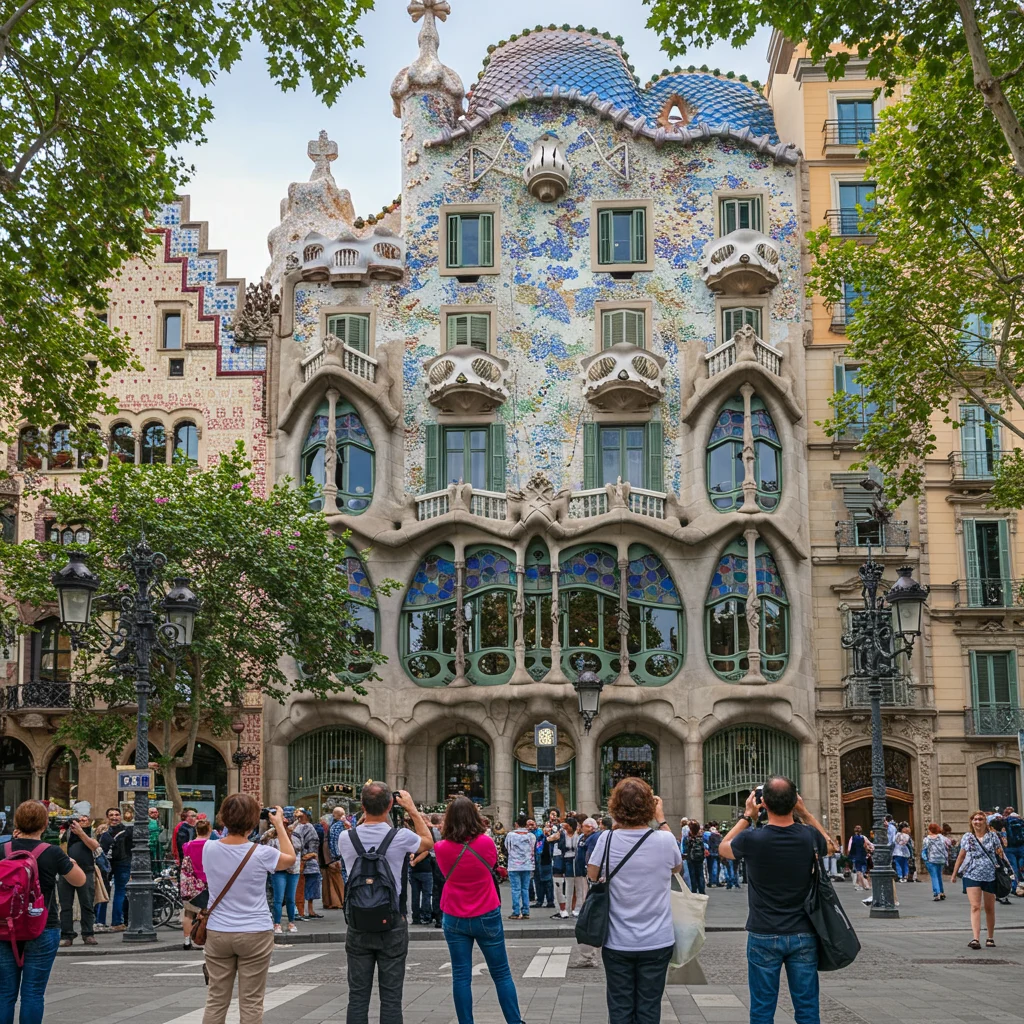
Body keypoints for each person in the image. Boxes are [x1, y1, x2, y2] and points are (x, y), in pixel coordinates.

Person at [720, 778, 833, 1024]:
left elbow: (723, 848)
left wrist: (747, 816)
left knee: (762, 1009)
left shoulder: (752, 838)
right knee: (807, 1008)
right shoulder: (809, 836)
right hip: (803, 932)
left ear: (764, 804)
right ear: (794, 802)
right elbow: (832, 846)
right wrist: (805, 813)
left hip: (763, 932)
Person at [586, 778, 681, 1024]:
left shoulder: (606, 839)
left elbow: (592, 875)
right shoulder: (665, 840)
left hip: (617, 940)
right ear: (650, 807)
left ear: (615, 807)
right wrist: (661, 820)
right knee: (649, 1008)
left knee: (619, 1008)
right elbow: (677, 866)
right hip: (657, 939)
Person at [336, 784, 433, 1024]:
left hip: (358, 924)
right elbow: (428, 842)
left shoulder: (346, 837)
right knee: (391, 997)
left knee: (357, 996)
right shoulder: (401, 837)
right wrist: (411, 808)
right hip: (393, 922)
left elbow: (359, 835)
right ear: (391, 805)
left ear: (362, 806)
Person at [200, 798, 293, 1024]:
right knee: (251, 1001)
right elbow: (289, 859)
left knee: (216, 999)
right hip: (255, 930)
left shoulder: (208, 848)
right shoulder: (262, 853)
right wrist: (279, 825)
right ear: (253, 822)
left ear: (222, 818)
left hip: (218, 930)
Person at [435, 796, 525, 1024]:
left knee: (461, 976)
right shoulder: (485, 843)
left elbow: (444, 872)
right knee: (502, 974)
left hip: (454, 914)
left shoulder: (442, 848)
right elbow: (493, 865)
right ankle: (514, 1021)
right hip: (486, 911)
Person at [0, 800, 86, 1024]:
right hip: (43, 925)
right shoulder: (53, 853)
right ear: (45, 824)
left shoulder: (2, 850)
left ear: (16, 822)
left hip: (4, 926)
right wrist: (69, 862)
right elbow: (79, 880)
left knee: (4, 994)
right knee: (33, 992)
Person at [951, 809, 1012, 949]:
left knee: (989, 908)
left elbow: (1001, 855)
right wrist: (954, 874)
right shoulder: (967, 837)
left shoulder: (992, 837)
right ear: (971, 822)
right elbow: (961, 855)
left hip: (990, 874)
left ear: (985, 822)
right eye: (975, 819)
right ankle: (975, 938)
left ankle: (990, 937)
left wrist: (1008, 871)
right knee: (975, 906)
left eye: (980, 819)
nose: (977, 822)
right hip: (971, 874)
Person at [58, 813, 99, 947]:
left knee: (86, 904)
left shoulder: (89, 833)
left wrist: (81, 832)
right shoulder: (66, 833)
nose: (81, 822)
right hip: (66, 871)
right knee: (65, 905)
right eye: (79, 820)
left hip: (86, 871)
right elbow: (59, 847)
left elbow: (95, 847)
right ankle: (66, 935)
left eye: (85, 820)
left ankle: (88, 934)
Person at [95, 806, 132, 932]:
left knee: (111, 892)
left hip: (118, 863)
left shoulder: (124, 831)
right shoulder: (107, 832)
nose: (114, 817)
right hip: (113, 864)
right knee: (109, 892)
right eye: (111, 815)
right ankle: (112, 922)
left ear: (120, 817)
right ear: (107, 818)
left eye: (116, 814)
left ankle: (104, 922)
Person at [263, 817, 299, 935]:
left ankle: (291, 922)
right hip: (278, 869)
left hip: (293, 870)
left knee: (290, 898)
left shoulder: (295, 835)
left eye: (286, 823)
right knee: (278, 898)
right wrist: (270, 833)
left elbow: (299, 848)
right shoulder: (272, 836)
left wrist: (289, 836)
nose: (284, 825)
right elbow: (263, 844)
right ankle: (277, 923)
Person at [181, 818, 212, 950]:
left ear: (196, 830)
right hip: (207, 882)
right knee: (208, 913)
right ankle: (203, 938)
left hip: (191, 884)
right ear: (209, 830)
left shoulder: (187, 846)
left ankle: (187, 940)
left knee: (188, 913)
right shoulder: (212, 846)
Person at [292, 808, 322, 920]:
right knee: (301, 886)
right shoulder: (299, 827)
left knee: (311, 886)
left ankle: (309, 910)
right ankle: (301, 910)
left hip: (310, 860)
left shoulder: (307, 827)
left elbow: (314, 843)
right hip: (304, 860)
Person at [503, 815, 535, 920]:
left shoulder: (510, 835)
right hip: (527, 864)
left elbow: (507, 847)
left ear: (516, 824)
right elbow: (532, 848)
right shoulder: (531, 836)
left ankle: (516, 911)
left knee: (515, 889)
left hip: (514, 865)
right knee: (525, 888)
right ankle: (526, 911)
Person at [409, 821, 434, 925]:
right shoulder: (427, 837)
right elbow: (426, 851)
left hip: (414, 871)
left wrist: (412, 860)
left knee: (415, 894)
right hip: (426, 870)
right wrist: (415, 861)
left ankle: (415, 917)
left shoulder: (412, 837)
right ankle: (426, 915)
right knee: (426, 894)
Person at [553, 817, 579, 917]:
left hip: (574, 861)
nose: (566, 827)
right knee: (562, 885)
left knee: (574, 886)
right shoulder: (561, 833)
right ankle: (564, 909)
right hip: (563, 859)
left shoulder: (578, 834)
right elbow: (552, 841)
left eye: (567, 825)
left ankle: (573, 907)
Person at [320, 814, 344, 910]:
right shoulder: (329, 832)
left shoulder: (328, 832)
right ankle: (337, 902)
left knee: (331, 882)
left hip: (328, 860)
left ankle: (333, 902)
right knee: (334, 881)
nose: (322, 824)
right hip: (329, 860)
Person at [922, 823, 949, 901]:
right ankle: (942, 892)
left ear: (930, 830)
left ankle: (937, 893)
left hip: (931, 859)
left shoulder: (927, 839)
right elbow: (949, 844)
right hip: (941, 859)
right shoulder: (942, 838)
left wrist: (925, 859)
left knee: (934, 876)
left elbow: (924, 850)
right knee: (939, 875)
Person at [1003, 806, 1024, 895]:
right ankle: (1021, 886)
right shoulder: (1021, 821)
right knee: (1022, 867)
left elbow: (1003, 834)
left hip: (1010, 848)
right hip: (1022, 847)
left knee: (1014, 868)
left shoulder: (1005, 821)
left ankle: (1015, 887)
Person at [683, 819, 706, 894]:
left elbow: (685, 849)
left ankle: (694, 891)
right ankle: (702, 891)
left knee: (692, 875)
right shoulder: (700, 838)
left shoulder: (688, 838)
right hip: (699, 859)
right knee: (700, 874)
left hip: (691, 859)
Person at [846, 824, 872, 891]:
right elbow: (869, 845)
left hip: (855, 856)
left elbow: (849, 848)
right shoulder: (863, 838)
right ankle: (864, 884)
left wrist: (849, 855)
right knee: (863, 871)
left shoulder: (852, 838)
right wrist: (870, 850)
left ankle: (860, 885)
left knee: (858, 871)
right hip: (863, 856)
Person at [148, 807, 164, 874]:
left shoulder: (159, 821)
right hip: (151, 844)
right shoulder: (148, 821)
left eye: (156, 812)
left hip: (159, 844)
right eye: (152, 812)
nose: (154, 814)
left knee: (159, 859)